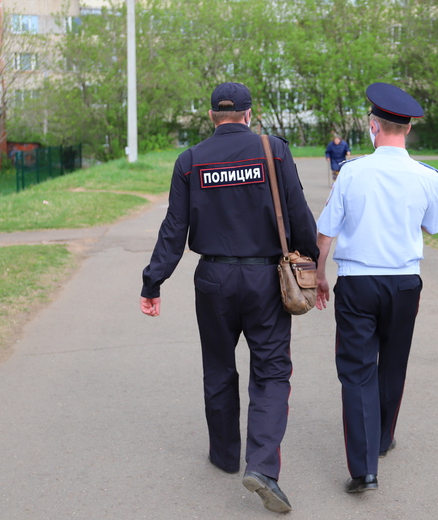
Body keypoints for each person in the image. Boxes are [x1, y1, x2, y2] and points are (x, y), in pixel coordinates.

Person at [140, 82, 319, 513]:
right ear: (248, 114)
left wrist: (153, 282)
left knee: (218, 369)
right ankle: (261, 466)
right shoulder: (273, 150)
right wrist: (312, 264)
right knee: (272, 372)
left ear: (211, 117)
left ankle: (224, 456)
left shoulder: (191, 161)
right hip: (266, 279)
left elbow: (173, 230)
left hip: (214, 279)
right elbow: (297, 213)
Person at [314, 82, 438, 494]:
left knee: (356, 372)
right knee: (392, 363)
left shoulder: (352, 172)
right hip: (404, 282)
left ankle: (364, 468)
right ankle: (383, 437)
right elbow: (433, 224)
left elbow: (326, 231)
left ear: (373, 126)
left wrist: (319, 274)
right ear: (406, 129)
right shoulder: (427, 176)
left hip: (357, 281)